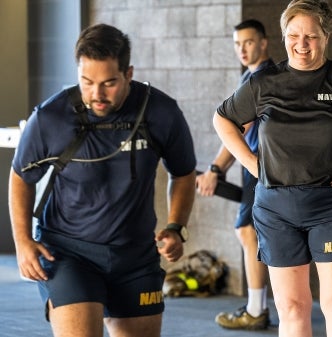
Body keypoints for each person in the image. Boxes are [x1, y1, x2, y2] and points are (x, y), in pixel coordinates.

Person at [213, 1, 332, 336]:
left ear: (326, 36)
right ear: (284, 36)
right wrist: (253, 164)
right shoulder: (263, 83)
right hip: (276, 210)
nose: (302, 44)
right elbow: (223, 119)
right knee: (292, 308)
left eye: (311, 36)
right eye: (293, 35)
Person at [9, 23, 196, 337]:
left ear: (128, 74)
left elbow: (184, 173)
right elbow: (20, 177)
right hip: (69, 252)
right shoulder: (51, 118)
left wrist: (177, 226)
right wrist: (23, 241)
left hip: (135, 255)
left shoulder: (161, 112)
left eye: (109, 83)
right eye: (86, 82)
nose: (96, 94)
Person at [196, 18, 275, 330]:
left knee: (248, 232)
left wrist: (216, 170)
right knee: (250, 233)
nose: (242, 49)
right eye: (237, 44)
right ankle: (259, 306)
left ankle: (257, 310)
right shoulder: (250, 75)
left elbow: (239, 129)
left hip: (259, 167)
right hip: (254, 167)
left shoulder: (260, 78)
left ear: (264, 43)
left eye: (249, 42)